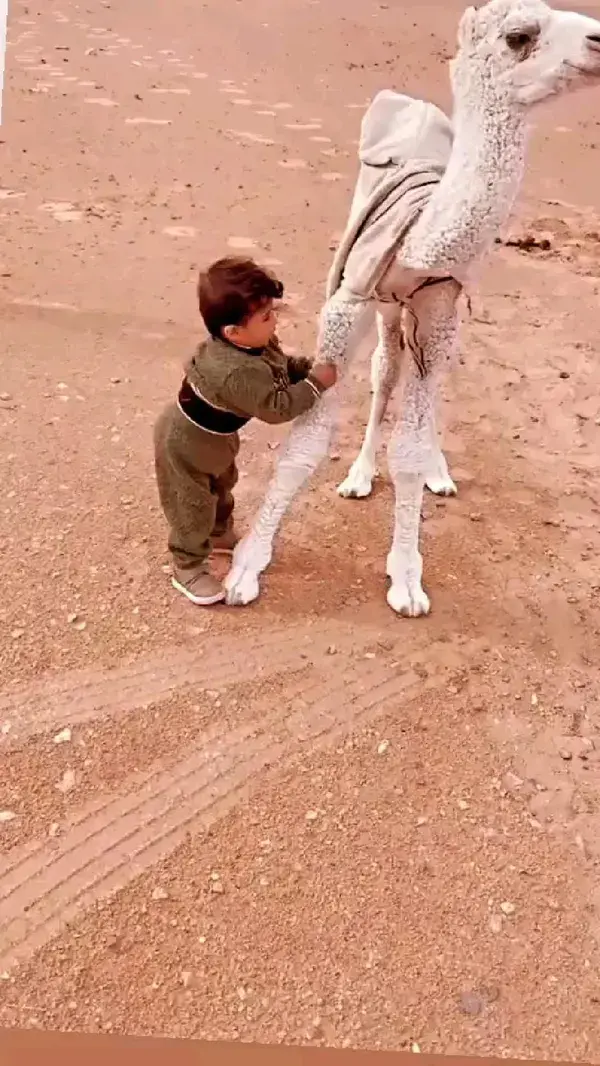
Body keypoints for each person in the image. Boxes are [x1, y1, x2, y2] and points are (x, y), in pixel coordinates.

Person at [153, 256, 337, 606]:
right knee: (191, 502)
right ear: (233, 332)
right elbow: (277, 406)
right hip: (185, 443)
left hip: (217, 438)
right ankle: (188, 565)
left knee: (222, 485)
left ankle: (219, 532)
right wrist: (313, 385)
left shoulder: (254, 344)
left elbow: (278, 370)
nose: (275, 321)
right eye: (266, 317)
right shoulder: (235, 372)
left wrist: (299, 369)